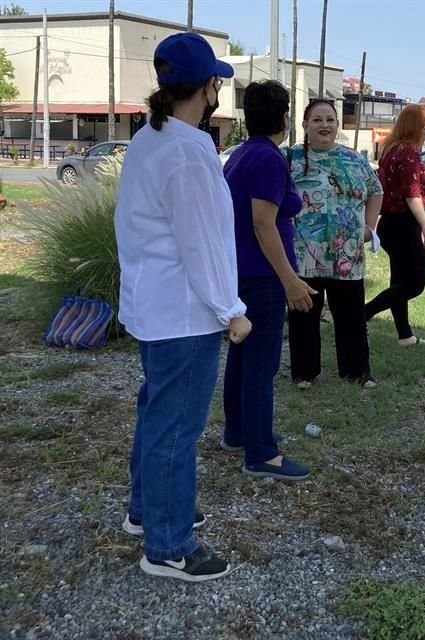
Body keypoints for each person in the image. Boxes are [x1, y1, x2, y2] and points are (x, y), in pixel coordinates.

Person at [115, 32, 250, 581]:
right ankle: (168, 546)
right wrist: (231, 310)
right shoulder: (188, 153)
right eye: (216, 81)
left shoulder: (153, 137)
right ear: (208, 86)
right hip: (184, 311)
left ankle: (148, 510)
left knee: (157, 412)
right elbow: (202, 244)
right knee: (176, 426)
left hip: (156, 306)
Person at [221, 80, 312, 481]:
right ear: (283, 116)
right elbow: (263, 222)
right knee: (261, 364)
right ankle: (261, 453)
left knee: (242, 356)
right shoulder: (268, 160)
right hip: (263, 275)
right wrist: (289, 279)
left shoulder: (240, 154)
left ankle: (238, 432)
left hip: (239, 272)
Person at [288, 99, 384, 388]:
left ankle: (357, 371)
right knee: (304, 315)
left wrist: (370, 227)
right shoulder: (289, 158)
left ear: (337, 124)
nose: (324, 125)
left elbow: (375, 191)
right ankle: (304, 373)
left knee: (351, 317)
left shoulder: (354, 159)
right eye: (317, 120)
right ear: (305, 125)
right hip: (305, 253)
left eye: (330, 119)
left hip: (347, 255)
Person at [364, 104, 425, 346]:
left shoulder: (391, 149)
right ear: (418, 128)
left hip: (390, 225)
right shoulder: (408, 154)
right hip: (404, 225)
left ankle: (405, 335)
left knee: (399, 281)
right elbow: (412, 193)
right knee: (415, 283)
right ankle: (362, 315)